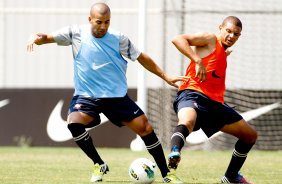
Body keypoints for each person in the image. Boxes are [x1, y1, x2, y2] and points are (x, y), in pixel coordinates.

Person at [27, 2, 185, 184]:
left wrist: (166, 76)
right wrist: (35, 37)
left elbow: (141, 57)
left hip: (116, 97)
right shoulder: (75, 33)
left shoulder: (119, 39)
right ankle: (98, 164)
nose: (103, 26)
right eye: (99, 22)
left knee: (146, 129)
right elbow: (46, 37)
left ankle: (167, 175)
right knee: (74, 123)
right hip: (87, 96)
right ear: (89, 19)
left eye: (107, 22)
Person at [167, 16, 258, 184]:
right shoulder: (209, 39)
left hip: (215, 104)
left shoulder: (223, 50)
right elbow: (177, 39)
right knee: (187, 120)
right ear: (220, 28)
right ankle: (174, 152)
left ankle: (231, 176)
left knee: (249, 136)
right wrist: (197, 60)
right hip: (192, 93)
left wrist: (222, 55)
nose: (231, 36)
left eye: (236, 34)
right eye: (228, 31)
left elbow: (213, 63)